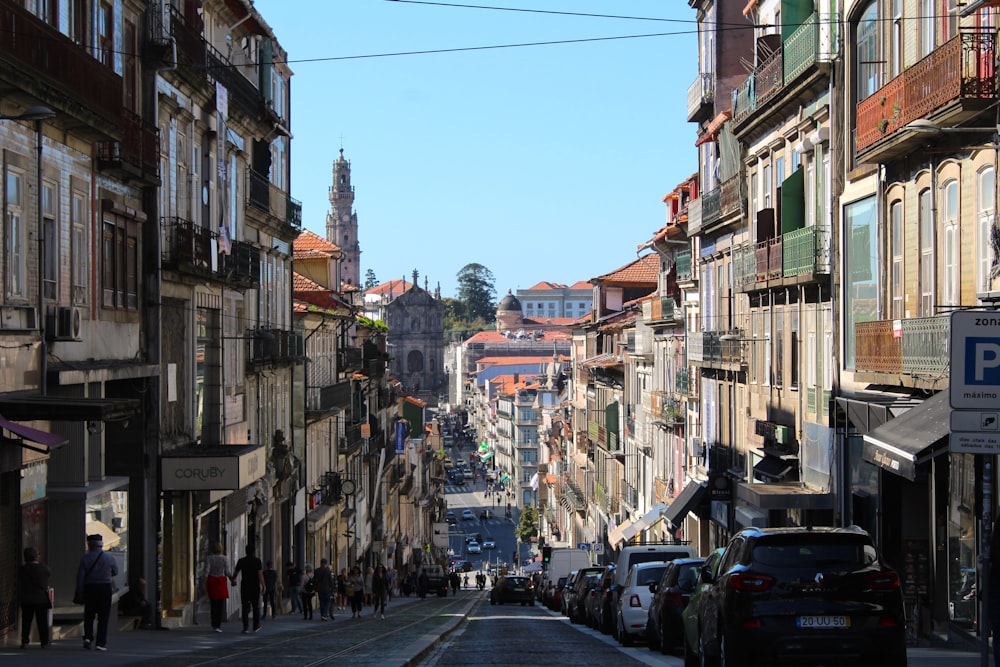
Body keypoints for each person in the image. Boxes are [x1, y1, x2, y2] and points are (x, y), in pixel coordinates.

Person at [76, 533, 118, 651]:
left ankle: (88, 637)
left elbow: (80, 577)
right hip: (105, 587)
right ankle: (101, 643)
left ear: (89, 545)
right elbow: (115, 571)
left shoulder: (85, 558)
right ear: (101, 544)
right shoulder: (109, 558)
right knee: (103, 617)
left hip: (90, 588)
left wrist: (80, 591)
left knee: (89, 615)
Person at [19, 546, 51, 649]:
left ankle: (24, 641)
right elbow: (48, 575)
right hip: (41, 598)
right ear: (35, 556)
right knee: (42, 621)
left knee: (26, 621)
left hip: (26, 599)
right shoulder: (44, 568)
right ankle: (44, 642)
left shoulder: (23, 569)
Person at [230, 544, 264, 634]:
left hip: (245, 586)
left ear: (246, 551)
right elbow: (260, 574)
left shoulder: (241, 561)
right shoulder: (257, 561)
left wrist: (233, 580)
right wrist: (264, 585)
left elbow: (236, 573)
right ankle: (256, 625)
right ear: (254, 551)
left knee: (245, 606)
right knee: (255, 606)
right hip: (255, 586)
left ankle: (245, 627)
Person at [205, 541, 231, 633]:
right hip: (220, 581)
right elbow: (227, 571)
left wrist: (205, 581)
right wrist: (232, 579)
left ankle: (214, 623)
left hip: (212, 581)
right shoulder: (224, 559)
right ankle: (218, 624)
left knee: (213, 603)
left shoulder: (209, 558)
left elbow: (207, 571)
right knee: (220, 604)